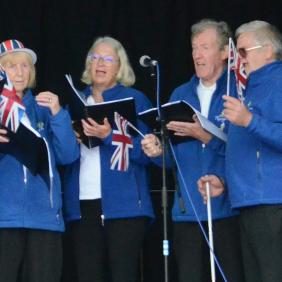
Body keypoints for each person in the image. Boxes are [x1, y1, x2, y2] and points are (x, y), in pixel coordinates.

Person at [141, 19, 244, 282]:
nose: (197, 55)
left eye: (205, 47)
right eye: (194, 48)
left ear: (224, 53)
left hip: (228, 208)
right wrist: (157, 152)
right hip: (188, 211)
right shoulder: (180, 93)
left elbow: (244, 150)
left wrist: (205, 136)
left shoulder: (238, 90)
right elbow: (170, 160)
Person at [62, 36, 154, 282]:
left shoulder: (134, 99)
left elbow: (149, 155)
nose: (100, 63)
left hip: (124, 205)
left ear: (119, 66)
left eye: (107, 59)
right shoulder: (76, 101)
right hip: (83, 205)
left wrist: (108, 136)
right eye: (95, 57)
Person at [198, 20, 282, 282]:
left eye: (243, 51)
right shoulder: (247, 89)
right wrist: (223, 180)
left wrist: (249, 120)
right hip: (247, 200)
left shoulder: (278, 80)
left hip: (272, 199)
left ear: (268, 50)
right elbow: (243, 147)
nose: (238, 59)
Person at [0, 39, 79, 282]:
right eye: (12, 66)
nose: (20, 72)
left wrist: (58, 114)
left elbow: (68, 156)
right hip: (4, 217)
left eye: (25, 65)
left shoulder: (46, 107)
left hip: (44, 218)